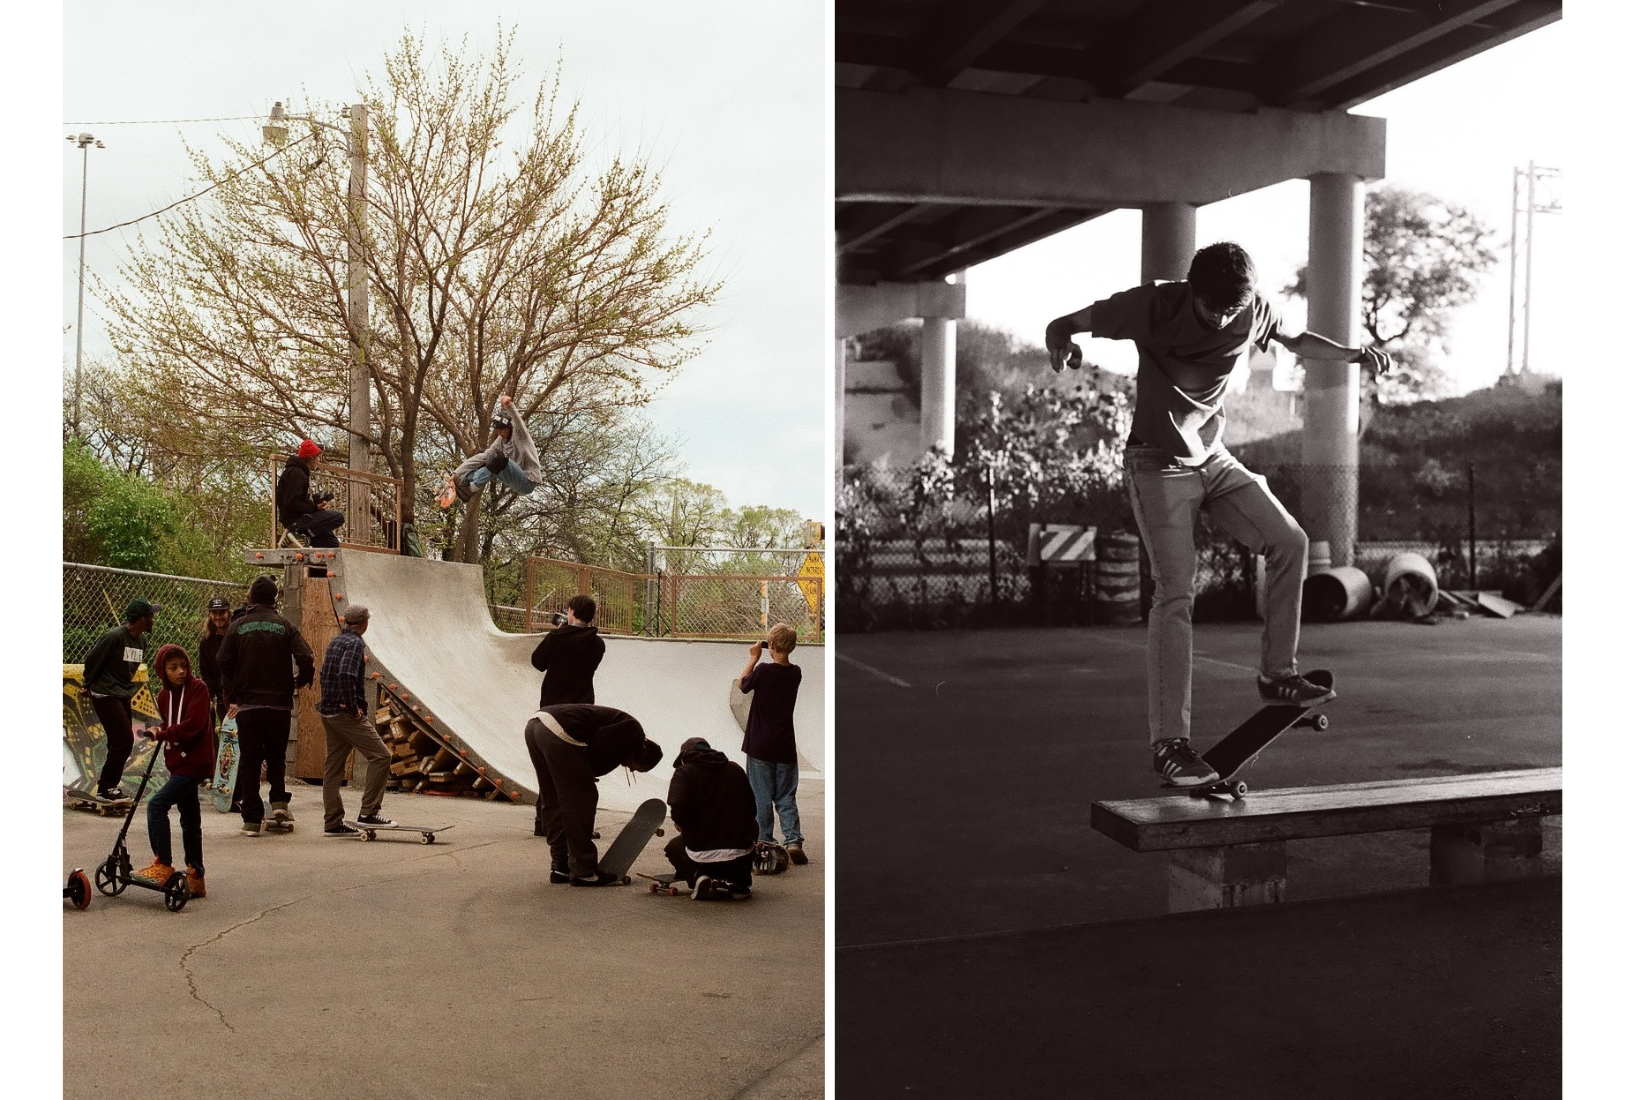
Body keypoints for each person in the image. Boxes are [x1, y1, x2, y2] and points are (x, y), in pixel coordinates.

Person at [1042, 241, 1392, 786]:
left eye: (1233, 310)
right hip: (1157, 464)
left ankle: (1278, 675)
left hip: (1215, 458)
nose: (1225, 319)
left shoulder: (1251, 309)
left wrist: (1352, 354)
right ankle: (1169, 744)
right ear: (1192, 292)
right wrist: (1059, 336)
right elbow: (1072, 320)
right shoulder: (1154, 305)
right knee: (1176, 591)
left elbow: (1295, 339)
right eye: (1214, 310)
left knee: (1290, 541)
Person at [216, 575, 315, 836]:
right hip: (279, 705)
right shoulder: (285, 625)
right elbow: (306, 655)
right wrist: (300, 681)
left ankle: (251, 819)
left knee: (250, 760)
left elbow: (222, 658)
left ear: (250, 597)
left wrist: (233, 687)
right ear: (275, 598)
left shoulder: (238, 626)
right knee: (276, 755)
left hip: (248, 705)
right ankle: (279, 801)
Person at [524, 704, 664, 887]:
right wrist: (585, 772)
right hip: (562, 731)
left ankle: (560, 866)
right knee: (582, 800)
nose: (629, 768)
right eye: (635, 767)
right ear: (642, 754)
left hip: (536, 726)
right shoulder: (632, 731)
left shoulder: (625, 730)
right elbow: (599, 742)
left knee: (553, 798)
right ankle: (584, 871)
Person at [129, 645, 213, 899]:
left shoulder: (199, 689)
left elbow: (194, 725)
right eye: (173, 668)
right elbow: (167, 723)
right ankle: (196, 876)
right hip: (177, 763)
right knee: (189, 818)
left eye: (183, 667)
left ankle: (163, 863)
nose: (180, 672)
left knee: (157, 804)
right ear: (162, 671)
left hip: (195, 763)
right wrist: (157, 730)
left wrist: (164, 732)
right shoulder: (164, 697)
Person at [526, 593, 606, 835]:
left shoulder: (557, 638)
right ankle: (580, 822)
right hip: (582, 710)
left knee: (549, 766)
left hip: (552, 709)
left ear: (571, 612)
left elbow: (538, 662)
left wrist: (558, 632)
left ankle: (544, 823)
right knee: (578, 767)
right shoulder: (597, 643)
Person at [316, 604, 397, 837]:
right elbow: (345, 674)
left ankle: (332, 822)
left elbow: (324, 674)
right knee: (381, 757)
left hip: (328, 711)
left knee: (334, 767)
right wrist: (352, 706)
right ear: (364, 624)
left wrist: (333, 699)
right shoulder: (355, 643)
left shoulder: (336, 641)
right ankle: (368, 812)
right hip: (344, 714)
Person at [738, 623, 807, 865]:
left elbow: (743, 684)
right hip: (785, 745)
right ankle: (794, 840)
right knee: (786, 795)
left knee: (761, 796)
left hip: (760, 745)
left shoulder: (764, 670)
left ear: (772, 646)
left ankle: (764, 839)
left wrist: (753, 658)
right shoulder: (795, 673)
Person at [80, 598, 160, 802]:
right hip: (105, 693)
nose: (153, 619)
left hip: (123, 692)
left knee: (118, 741)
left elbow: (128, 669)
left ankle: (109, 786)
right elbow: (92, 659)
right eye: (151, 616)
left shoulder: (142, 641)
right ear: (143, 618)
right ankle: (106, 787)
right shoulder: (114, 637)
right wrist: (88, 684)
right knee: (125, 739)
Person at [662, 736, 758, 900]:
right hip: (740, 855)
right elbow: (752, 808)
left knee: (673, 847)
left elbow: (678, 804)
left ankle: (698, 877)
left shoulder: (684, 772)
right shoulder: (735, 769)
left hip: (702, 855)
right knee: (749, 831)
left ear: (685, 757)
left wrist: (681, 823)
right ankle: (740, 882)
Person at [438, 394, 543, 507]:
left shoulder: (521, 435)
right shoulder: (500, 441)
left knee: (499, 458)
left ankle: (471, 488)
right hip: (513, 479)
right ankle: (464, 482)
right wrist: (456, 473)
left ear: (509, 428)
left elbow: (518, 422)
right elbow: (482, 457)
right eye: (498, 431)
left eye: (502, 430)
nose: (500, 434)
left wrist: (510, 406)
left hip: (527, 482)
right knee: (485, 455)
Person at [277, 439, 345, 547]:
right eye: (317, 457)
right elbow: (292, 503)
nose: (318, 460)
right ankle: (296, 532)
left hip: (301, 518)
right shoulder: (296, 474)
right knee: (338, 517)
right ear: (311, 458)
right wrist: (314, 508)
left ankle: (304, 536)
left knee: (332, 544)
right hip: (295, 520)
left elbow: (297, 500)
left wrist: (314, 504)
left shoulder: (299, 472)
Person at [197, 596, 232, 727]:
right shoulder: (206, 641)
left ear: (228, 612)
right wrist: (209, 696)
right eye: (215, 613)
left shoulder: (236, 635)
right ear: (210, 614)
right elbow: (206, 672)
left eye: (221, 612)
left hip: (239, 696)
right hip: (222, 698)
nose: (218, 617)